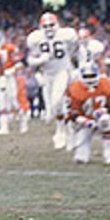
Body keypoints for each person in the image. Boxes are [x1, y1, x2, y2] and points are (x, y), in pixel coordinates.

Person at [26, 11, 78, 149]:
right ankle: (61, 131)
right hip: (47, 75)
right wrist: (39, 61)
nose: (49, 28)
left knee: (57, 101)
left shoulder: (67, 34)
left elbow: (74, 50)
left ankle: (64, 132)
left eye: (51, 25)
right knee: (52, 109)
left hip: (62, 71)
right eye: (45, 25)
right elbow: (31, 59)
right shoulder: (35, 38)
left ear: (58, 24)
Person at [65, 63, 110, 165]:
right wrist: (86, 122)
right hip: (83, 122)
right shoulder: (75, 89)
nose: (89, 79)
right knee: (81, 159)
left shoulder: (107, 84)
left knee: (105, 121)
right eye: (86, 76)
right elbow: (73, 115)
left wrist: (103, 111)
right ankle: (82, 151)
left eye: (92, 76)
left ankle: (108, 155)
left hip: (99, 118)